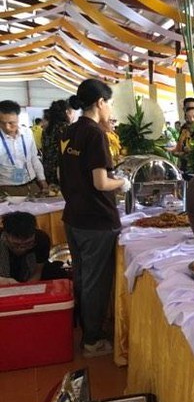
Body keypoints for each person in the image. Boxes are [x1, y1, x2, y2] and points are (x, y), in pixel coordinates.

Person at [59, 78, 130, 358]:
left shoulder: (70, 131)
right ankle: (92, 340)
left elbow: (62, 174)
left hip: (74, 216)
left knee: (81, 276)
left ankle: (83, 329)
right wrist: (121, 183)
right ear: (100, 103)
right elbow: (101, 182)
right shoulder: (95, 134)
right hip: (96, 221)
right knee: (95, 282)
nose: (110, 109)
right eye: (109, 103)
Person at [0, 211, 68, 285]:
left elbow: (38, 271)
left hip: (29, 274)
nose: (22, 248)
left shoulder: (41, 239)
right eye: (16, 244)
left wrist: (27, 288)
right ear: (6, 235)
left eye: (28, 243)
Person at [0, 100, 49, 196]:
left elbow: (34, 158)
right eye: (2, 123)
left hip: (31, 184)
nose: (7, 127)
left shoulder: (27, 133)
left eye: (11, 123)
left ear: (18, 119)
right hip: (7, 187)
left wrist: (42, 180)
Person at [42, 99, 72, 186]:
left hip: (48, 169)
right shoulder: (66, 128)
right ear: (67, 112)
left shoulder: (47, 130)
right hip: (61, 171)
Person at [173, 107, 194, 173]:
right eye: (188, 117)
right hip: (184, 167)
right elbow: (178, 148)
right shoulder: (183, 129)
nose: (191, 119)